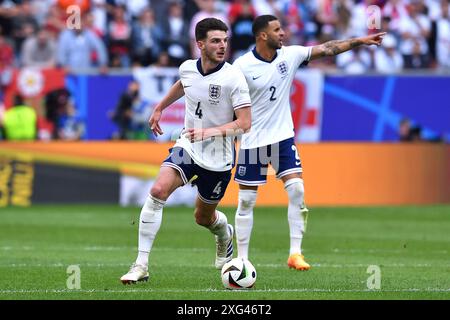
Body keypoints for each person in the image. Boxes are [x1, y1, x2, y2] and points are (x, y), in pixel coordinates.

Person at [232, 15, 385, 271]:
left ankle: (295, 253)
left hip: (282, 137)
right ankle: (243, 258)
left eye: (282, 28)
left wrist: (359, 40)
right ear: (262, 36)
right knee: (246, 201)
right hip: (252, 141)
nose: (283, 33)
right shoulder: (241, 66)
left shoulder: (289, 55)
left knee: (297, 190)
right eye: (277, 30)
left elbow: (327, 48)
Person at [120, 18, 252, 284]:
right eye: (216, 40)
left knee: (203, 218)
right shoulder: (187, 68)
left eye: (225, 40)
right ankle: (141, 265)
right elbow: (183, 83)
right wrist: (160, 107)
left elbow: (245, 123)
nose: (222, 46)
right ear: (200, 44)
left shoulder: (233, 77)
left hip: (219, 159)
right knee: (157, 192)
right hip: (188, 146)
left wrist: (209, 132)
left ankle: (224, 233)